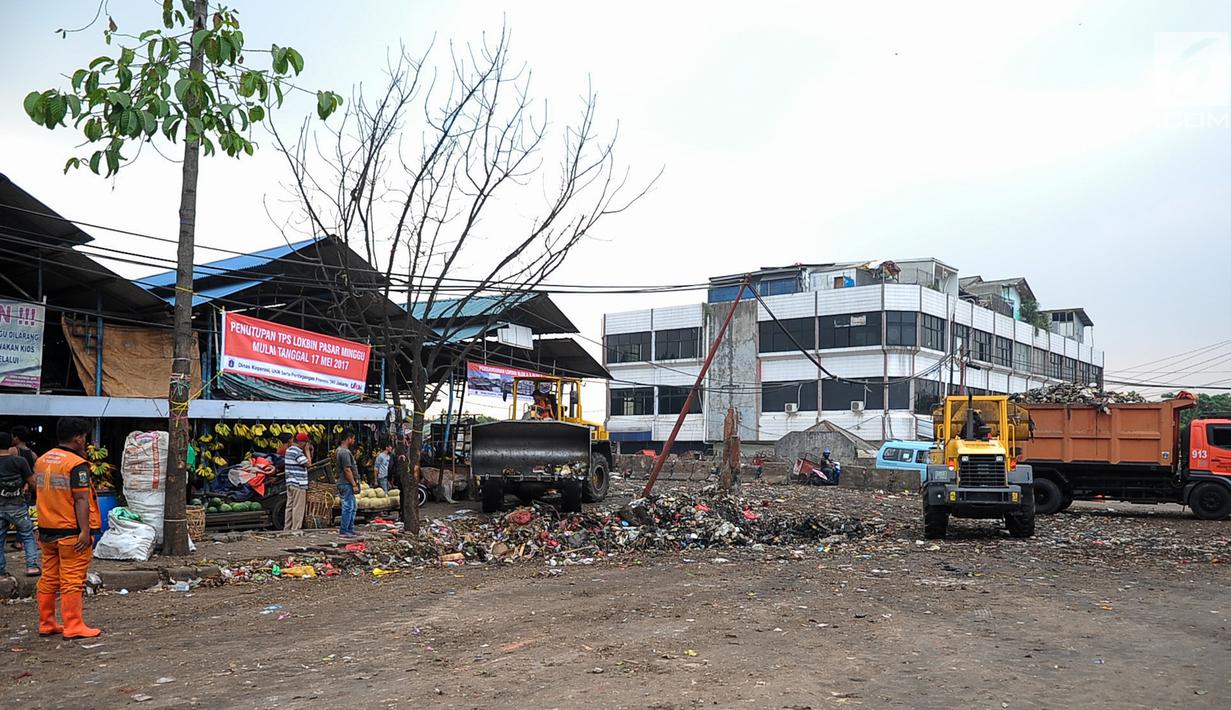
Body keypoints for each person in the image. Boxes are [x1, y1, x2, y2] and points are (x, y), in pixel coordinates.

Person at [34, 416, 102, 639]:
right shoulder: (75, 465)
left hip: (47, 529)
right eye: (84, 437)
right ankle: (73, 625)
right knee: (72, 578)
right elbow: (81, 499)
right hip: (70, 532)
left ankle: (47, 623)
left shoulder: (43, 460)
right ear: (78, 438)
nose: (86, 441)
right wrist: (84, 531)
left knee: (49, 577)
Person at [0, 432, 41, 578]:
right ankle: (31, 566)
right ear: (11, 443)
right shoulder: (20, 461)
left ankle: (1, 571)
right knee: (28, 536)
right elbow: (31, 481)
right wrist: (42, 496)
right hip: (18, 507)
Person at [283, 433, 310, 532]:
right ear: (302, 443)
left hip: (290, 483)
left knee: (289, 506)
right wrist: (307, 451)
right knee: (298, 507)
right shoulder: (297, 451)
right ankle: (295, 529)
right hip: (298, 483)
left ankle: (287, 528)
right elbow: (308, 464)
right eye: (306, 443)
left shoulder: (289, 450)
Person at [335, 429, 360, 539]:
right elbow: (347, 470)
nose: (354, 441)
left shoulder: (340, 450)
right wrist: (354, 484)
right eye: (353, 438)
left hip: (345, 483)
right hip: (345, 483)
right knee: (348, 507)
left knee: (353, 506)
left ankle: (350, 529)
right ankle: (344, 531)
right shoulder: (344, 452)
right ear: (348, 438)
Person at [11, 426, 37, 506]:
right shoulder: (33, 454)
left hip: (13, 490)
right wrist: (28, 485)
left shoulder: (12, 451)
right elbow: (35, 473)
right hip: (27, 490)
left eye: (12, 437)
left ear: (16, 438)